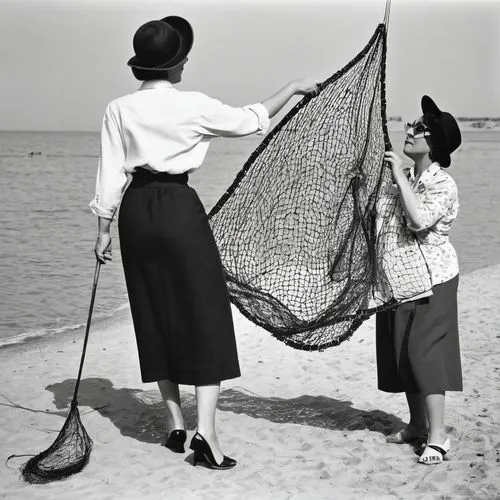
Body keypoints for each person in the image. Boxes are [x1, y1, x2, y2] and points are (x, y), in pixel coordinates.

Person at [90, 15, 319, 470]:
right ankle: (206, 434)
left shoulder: (118, 108)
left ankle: (175, 422)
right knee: (205, 313)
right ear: (177, 65)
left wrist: (102, 228)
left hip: (135, 212)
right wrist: (292, 87)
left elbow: (111, 170)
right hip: (177, 207)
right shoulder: (192, 104)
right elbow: (251, 120)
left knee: (153, 310)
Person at [376, 95, 462, 465]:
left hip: (434, 280)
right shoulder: (407, 178)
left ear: (436, 143)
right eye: (411, 125)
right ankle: (415, 424)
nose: (410, 131)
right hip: (400, 278)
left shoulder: (442, 184)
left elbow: (417, 220)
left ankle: (438, 435)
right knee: (401, 353)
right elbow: (380, 216)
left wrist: (396, 177)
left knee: (422, 353)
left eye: (420, 128)